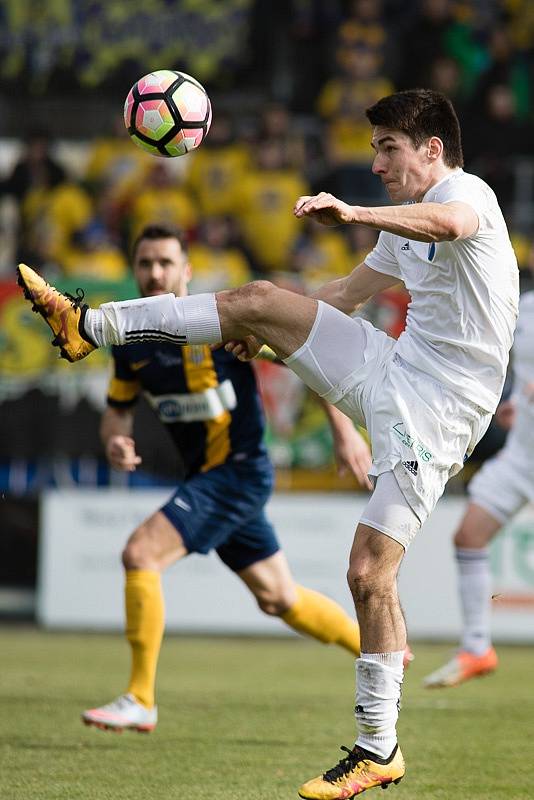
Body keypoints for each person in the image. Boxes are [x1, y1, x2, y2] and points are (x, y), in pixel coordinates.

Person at [18, 89, 519, 796]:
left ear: (432, 150)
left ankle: (379, 748)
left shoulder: (467, 195)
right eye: (374, 148)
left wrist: (354, 213)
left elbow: (448, 222)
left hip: (442, 410)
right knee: (256, 297)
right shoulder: (404, 229)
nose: (374, 164)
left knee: (369, 573)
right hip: (395, 366)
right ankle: (87, 325)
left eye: (387, 148)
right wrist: (268, 329)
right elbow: (343, 294)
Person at [73, 223, 374, 734]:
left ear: (186, 271)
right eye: (145, 263)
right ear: (134, 271)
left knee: (140, 554)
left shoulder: (223, 321)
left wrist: (344, 434)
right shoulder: (130, 343)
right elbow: (117, 412)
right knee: (279, 597)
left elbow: (307, 359)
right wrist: (114, 440)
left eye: (165, 262)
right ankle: (381, 647)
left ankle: (141, 698)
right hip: (211, 478)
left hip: (237, 473)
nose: (154, 272)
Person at [424, 289, 534, 689]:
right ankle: (477, 647)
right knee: (469, 536)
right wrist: (517, 407)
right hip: (522, 454)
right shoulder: (524, 306)